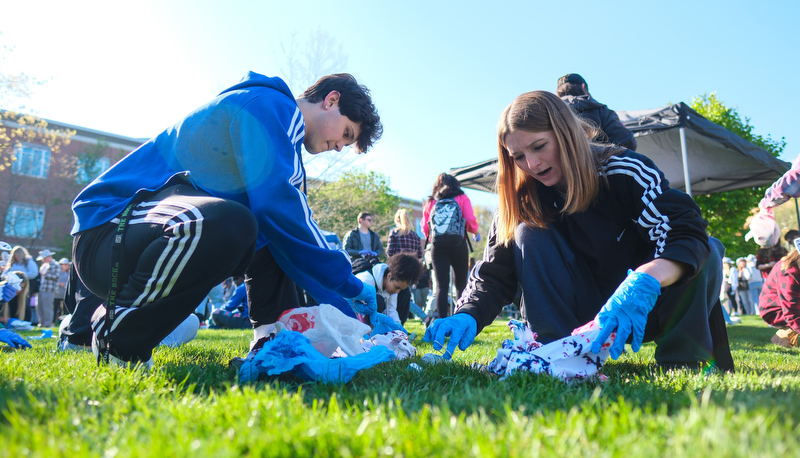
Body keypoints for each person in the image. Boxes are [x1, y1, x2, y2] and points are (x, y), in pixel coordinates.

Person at [68, 71, 383, 368]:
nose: (340, 147)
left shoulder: (282, 142)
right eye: (346, 133)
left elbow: (287, 238)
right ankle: (120, 336)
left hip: (146, 239)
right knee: (236, 221)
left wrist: (350, 313)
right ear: (331, 100)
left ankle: (270, 344)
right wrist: (351, 285)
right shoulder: (270, 105)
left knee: (270, 233)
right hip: (109, 231)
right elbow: (279, 206)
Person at [426, 90, 732, 371]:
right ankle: (556, 355)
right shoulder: (520, 198)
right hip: (578, 315)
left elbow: (684, 232)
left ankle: (684, 360)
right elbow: (494, 272)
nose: (531, 163)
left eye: (539, 146)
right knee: (527, 232)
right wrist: (467, 312)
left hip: (646, 304)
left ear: (566, 134)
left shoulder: (625, 170)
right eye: (518, 157)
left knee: (708, 247)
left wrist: (646, 280)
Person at [421, 173, 480, 322]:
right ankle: (458, 320)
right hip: (458, 244)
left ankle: (442, 322)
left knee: (441, 286)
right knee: (461, 285)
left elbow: (424, 227)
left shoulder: (431, 201)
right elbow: (469, 219)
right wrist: (474, 231)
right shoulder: (461, 197)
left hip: (437, 246)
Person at [555, 73, 637, 151]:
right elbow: (626, 140)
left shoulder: (552, 112)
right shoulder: (602, 110)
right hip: (600, 163)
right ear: (583, 87)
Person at [354, 253, 423, 325]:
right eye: (397, 287)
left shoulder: (390, 288)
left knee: (405, 294)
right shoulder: (365, 281)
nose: (397, 292)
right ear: (389, 276)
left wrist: (398, 329)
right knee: (378, 301)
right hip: (353, 322)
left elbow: (391, 311)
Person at [759, 238, 800, 348]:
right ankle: (782, 336)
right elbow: (791, 311)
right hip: (774, 311)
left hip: (788, 307)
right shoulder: (789, 273)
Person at [386, 209, 424, 322]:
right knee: (405, 300)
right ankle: (402, 323)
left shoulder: (395, 233)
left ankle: (423, 317)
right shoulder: (416, 236)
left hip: (397, 271)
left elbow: (389, 253)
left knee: (393, 300)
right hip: (411, 273)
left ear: (397, 220)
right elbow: (420, 255)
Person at [5, 246, 39, 323]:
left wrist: (21, 276)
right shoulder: (12, 263)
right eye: (14, 255)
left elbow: (34, 273)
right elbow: (6, 272)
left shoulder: (28, 262)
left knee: (24, 302)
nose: (16, 257)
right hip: (12, 286)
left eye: (17, 255)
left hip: (24, 285)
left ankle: (25, 320)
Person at [36, 249, 60, 327]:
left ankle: (48, 324)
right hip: (41, 289)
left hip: (49, 290)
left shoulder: (55, 264)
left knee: (47, 308)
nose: (42, 260)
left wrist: (45, 275)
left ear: (48, 257)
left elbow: (56, 276)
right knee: (40, 307)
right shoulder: (44, 265)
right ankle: (41, 323)